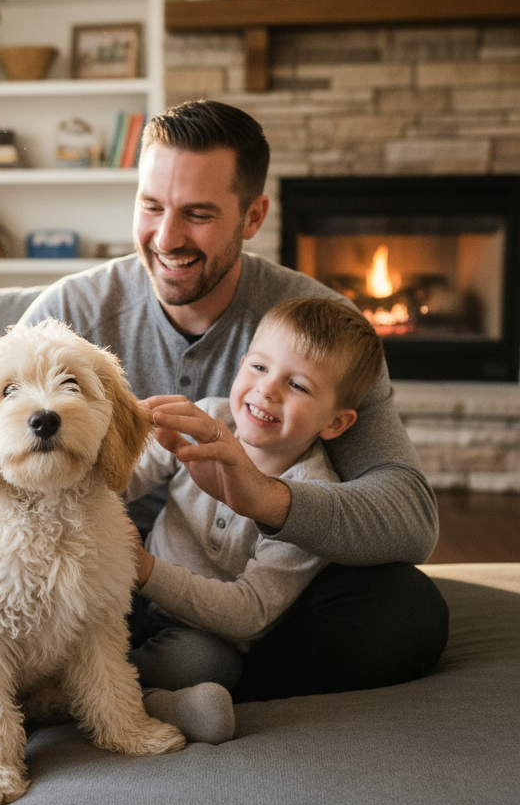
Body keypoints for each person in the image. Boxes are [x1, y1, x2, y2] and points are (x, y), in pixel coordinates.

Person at [19, 99, 449, 702]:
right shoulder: (71, 315)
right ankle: (170, 683)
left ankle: (180, 677)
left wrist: (269, 499)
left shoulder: (318, 334)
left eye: (198, 214)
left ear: (253, 217)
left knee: (407, 611)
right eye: (151, 206)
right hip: (89, 570)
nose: (166, 238)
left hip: (242, 591)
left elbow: (409, 519)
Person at [126, 296, 385, 695]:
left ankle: (102, 696)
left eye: (297, 385)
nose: (267, 390)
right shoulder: (206, 419)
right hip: (127, 591)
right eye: (259, 367)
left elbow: (251, 613)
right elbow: (127, 478)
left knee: (204, 667)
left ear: (335, 422)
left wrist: (147, 571)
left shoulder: (314, 503)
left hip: (203, 630)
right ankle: (121, 693)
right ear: (242, 362)